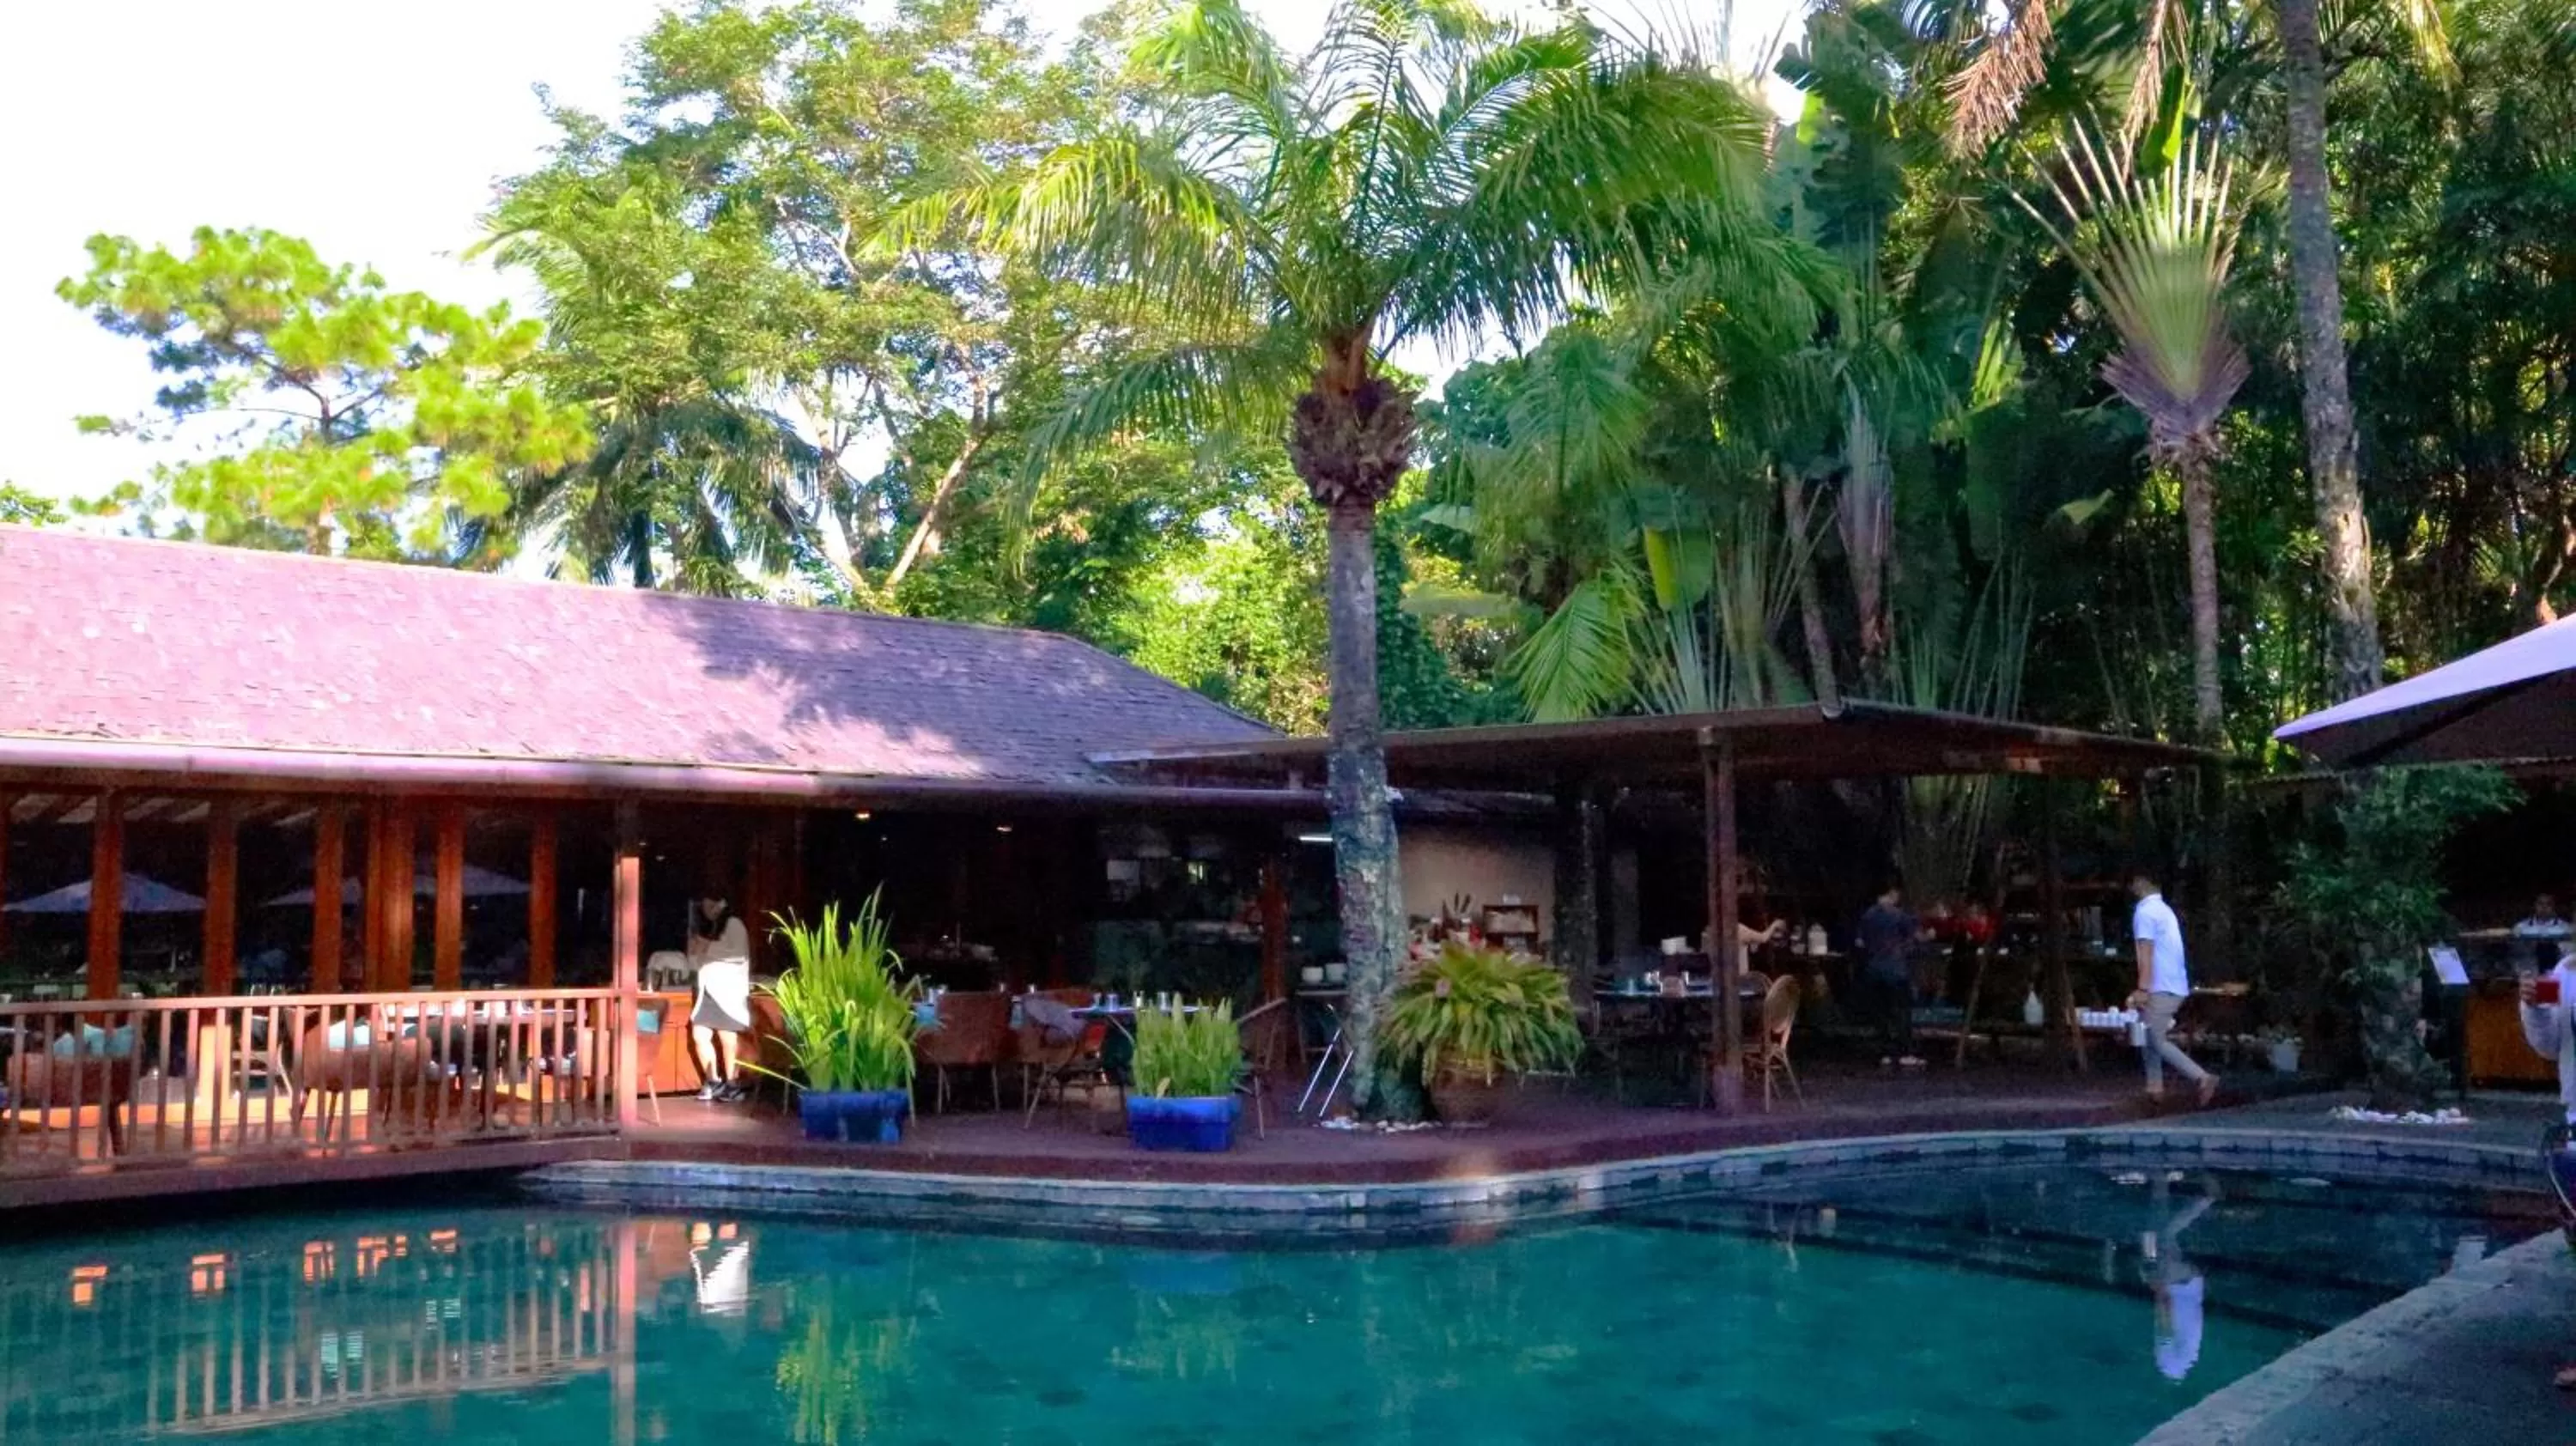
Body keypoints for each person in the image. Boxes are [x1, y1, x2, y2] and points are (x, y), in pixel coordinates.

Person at [2129, 872, 2217, 1106]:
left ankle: (2201, 1077)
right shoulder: (2164, 910)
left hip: (2161, 984)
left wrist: (2143, 987)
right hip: (2172, 982)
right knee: (2150, 1034)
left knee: (2155, 1039)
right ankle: (2154, 1087)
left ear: (2140, 883)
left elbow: (2145, 951)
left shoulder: (2145, 912)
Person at [683, 896, 754, 1103]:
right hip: (708, 989)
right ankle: (713, 1081)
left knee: (727, 1038)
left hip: (728, 990)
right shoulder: (713, 927)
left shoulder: (734, 924)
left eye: (710, 904)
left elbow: (739, 954)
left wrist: (706, 947)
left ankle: (732, 1084)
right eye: (704, 905)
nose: (706, 910)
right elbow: (698, 959)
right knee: (699, 1034)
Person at [1856, 884, 1923, 1069]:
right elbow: (1917, 938)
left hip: (1874, 970)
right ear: (1893, 893)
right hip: (1896, 970)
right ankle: (1905, 1053)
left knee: (1882, 1013)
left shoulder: (1867, 916)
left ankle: (1885, 1052)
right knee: (1902, 1011)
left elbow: (1860, 942)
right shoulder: (1899, 915)